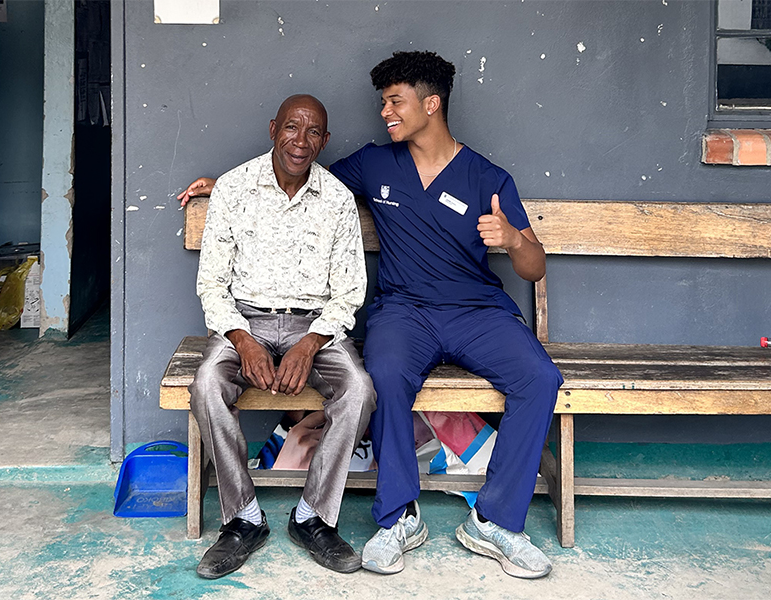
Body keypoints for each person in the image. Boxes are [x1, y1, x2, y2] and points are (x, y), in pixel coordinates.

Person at [179, 52, 562, 580]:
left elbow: (534, 265)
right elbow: (296, 172)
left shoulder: (487, 177)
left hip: (478, 311)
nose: (385, 112)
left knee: (541, 377)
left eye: (394, 102)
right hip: (404, 312)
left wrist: (514, 238)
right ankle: (398, 518)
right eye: (382, 102)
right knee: (382, 376)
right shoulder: (376, 163)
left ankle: (494, 521)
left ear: (431, 104)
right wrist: (221, 186)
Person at [186, 94, 375, 579]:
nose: (301, 141)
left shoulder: (335, 198)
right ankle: (243, 518)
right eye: (292, 128)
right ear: (274, 128)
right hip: (243, 321)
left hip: (314, 325)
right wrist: (242, 339)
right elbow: (212, 282)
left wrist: (310, 342)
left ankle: (313, 516)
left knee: (358, 390)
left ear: (325, 140)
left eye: (314, 133)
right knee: (207, 384)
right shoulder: (234, 187)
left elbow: (351, 289)